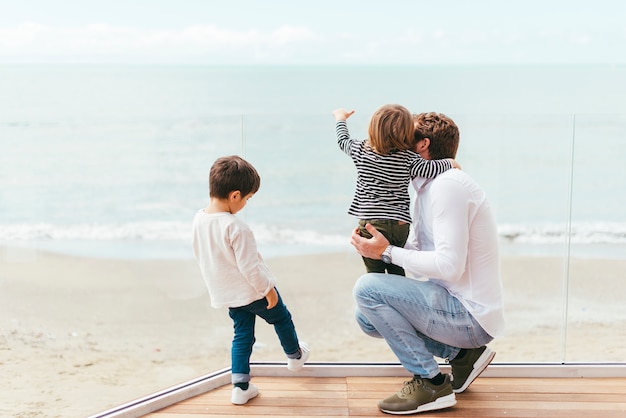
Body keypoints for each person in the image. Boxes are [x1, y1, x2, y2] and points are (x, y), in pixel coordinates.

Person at [350, 112, 505, 415]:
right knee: (366, 316)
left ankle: (431, 381)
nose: (392, 150)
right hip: (453, 306)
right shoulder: (427, 188)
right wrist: (377, 246)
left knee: (367, 289)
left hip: (467, 314)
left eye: (402, 142)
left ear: (422, 146)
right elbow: (424, 257)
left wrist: (388, 253)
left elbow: (449, 266)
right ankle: (461, 355)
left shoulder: (448, 186)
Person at [192, 155, 310, 406]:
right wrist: (268, 290)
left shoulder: (199, 219)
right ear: (235, 195)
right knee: (281, 317)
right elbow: (250, 267)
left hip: (227, 293)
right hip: (253, 291)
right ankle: (295, 356)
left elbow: (202, 255)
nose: (246, 203)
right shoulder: (236, 227)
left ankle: (240, 386)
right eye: (247, 198)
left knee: (242, 335)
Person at [334, 105, 459, 275]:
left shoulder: (360, 150)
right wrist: (450, 163)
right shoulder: (409, 159)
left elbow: (342, 140)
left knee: (374, 275)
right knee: (397, 270)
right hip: (399, 225)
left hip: (371, 223)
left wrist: (340, 118)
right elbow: (430, 168)